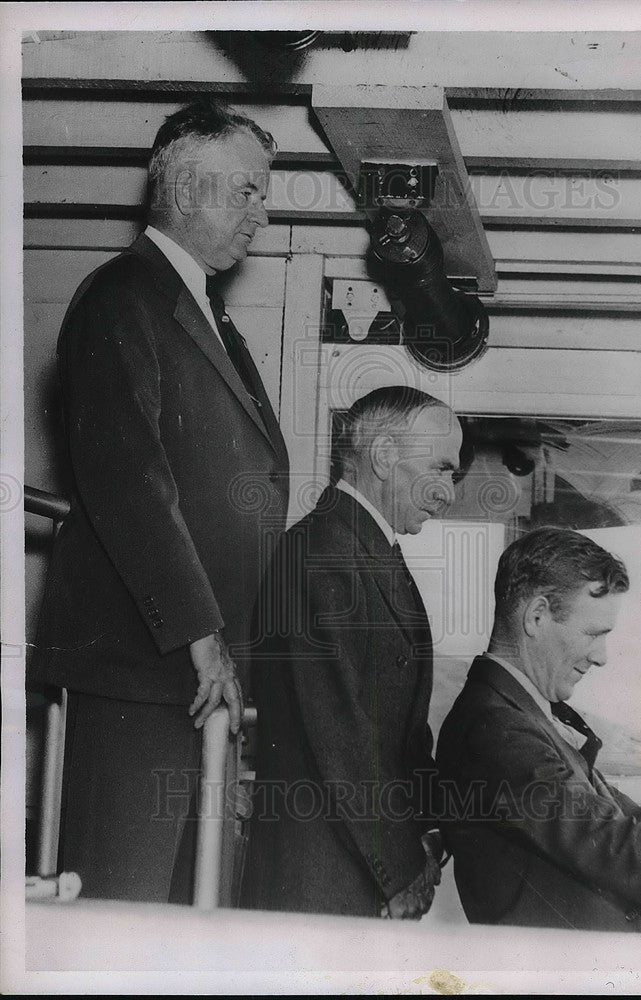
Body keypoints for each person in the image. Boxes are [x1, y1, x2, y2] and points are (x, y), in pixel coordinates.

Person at [29, 101, 289, 902]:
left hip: (188, 670)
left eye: (261, 192)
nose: (262, 209)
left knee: (175, 916)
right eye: (244, 190)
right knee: (117, 910)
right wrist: (201, 637)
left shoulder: (207, 316)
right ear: (181, 184)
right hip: (141, 666)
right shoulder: (121, 296)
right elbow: (129, 481)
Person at [436, 526, 641, 931]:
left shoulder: (522, 714)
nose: (602, 657)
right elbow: (617, 846)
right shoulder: (494, 727)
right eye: (594, 634)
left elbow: (631, 816)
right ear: (536, 616)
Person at [243, 386, 463, 918]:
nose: (448, 492)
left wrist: (429, 829)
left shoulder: (365, 549)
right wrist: (401, 864)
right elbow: (340, 731)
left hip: (349, 868)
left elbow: (398, 731)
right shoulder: (321, 550)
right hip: (321, 875)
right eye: (440, 468)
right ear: (385, 456)